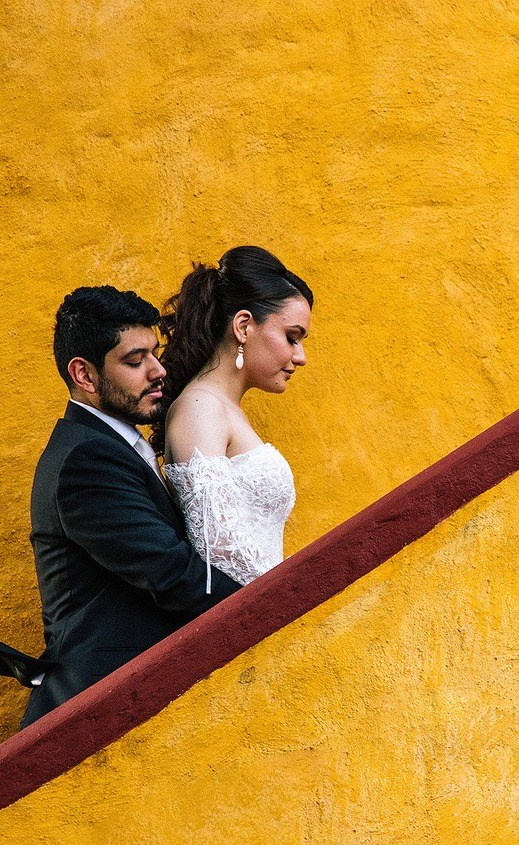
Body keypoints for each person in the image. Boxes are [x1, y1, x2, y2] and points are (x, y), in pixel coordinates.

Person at [22, 285, 238, 725]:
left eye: (155, 354)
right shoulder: (86, 460)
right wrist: (267, 601)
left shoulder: (111, 445)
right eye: (136, 361)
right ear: (84, 375)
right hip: (102, 707)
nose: (158, 371)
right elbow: (169, 572)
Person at [155, 247, 312, 591]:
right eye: (291, 337)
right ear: (243, 326)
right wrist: (287, 598)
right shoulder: (200, 407)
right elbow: (218, 548)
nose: (300, 357)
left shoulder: (222, 408)